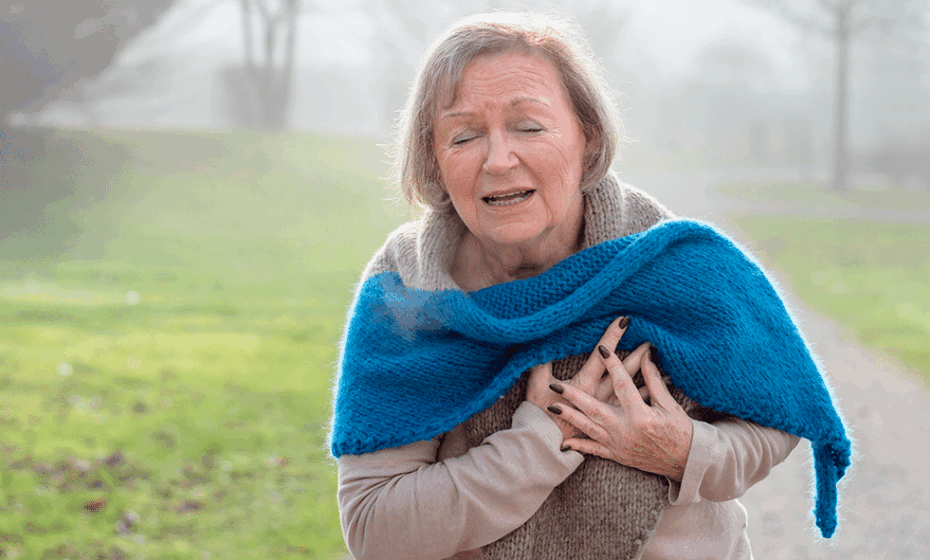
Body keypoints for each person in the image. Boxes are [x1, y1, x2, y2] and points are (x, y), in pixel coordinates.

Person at [330, 11, 849, 560]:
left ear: (588, 137)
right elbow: (375, 529)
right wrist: (536, 445)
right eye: (464, 135)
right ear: (435, 164)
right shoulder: (409, 290)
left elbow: (773, 421)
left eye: (529, 126)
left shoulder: (669, 262)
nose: (499, 159)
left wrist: (685, 451)